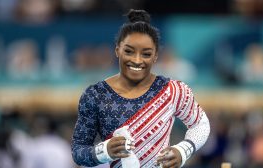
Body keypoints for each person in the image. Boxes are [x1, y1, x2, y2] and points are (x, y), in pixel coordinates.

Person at [71, 9, 210, 168]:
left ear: (156, 56)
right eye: (129, 51)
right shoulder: (95, 95)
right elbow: (78, 151)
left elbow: (201, 124)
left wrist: (183, 150)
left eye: (146, 54)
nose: (137, 60)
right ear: (118, 50)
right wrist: (104, 151)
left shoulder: (172, 90)